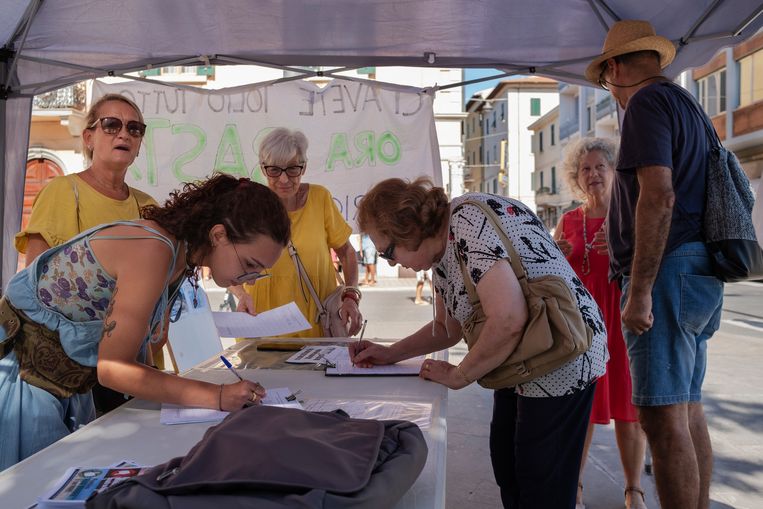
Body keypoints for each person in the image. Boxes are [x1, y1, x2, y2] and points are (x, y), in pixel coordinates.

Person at [0, 174, 291, 470]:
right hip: (24, 385)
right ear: (218, 235)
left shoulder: (178, 255)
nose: (251, 280)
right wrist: (216, 395)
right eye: (250, 265)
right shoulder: (153, 249)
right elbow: (114, 369)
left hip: (63, 388)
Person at [351, 177, 608, 508]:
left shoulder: (466, 222)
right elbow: (447, 330)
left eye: (387, 251)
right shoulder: (440, 252)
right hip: (523, 356)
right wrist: (388, 353)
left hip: (561, 355)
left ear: (408, 228)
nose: (389, 262)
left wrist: (460, 375)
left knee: (540, 483)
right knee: (508, 465)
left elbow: (508, 318)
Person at [586, 20, 724, 509]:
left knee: (663, 421)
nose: (612, 93)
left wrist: (639, 288)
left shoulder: (645, 103)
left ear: (617, 67)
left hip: (667, 273)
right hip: (698, 269)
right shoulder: (689, 105)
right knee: (686, 410)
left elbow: (660, 195)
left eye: (606, 81)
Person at [15, 93, 159, 414]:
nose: (124, 134)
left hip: (133, 365)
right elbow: (32, 288)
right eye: (111, 125)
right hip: (72, 373)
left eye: (135, 129)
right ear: (89, 137)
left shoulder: (148, 207)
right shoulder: (62, 191)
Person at [554, 138, 647, 509]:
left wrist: (628, 249)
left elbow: (650, 263)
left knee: (629, 408)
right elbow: (554, 275)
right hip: (583, 326)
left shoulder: (633, 215)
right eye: (586, 169)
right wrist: (558, 256)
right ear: (577, 178)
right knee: (582, 407)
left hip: (622, 319)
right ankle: (573, 486)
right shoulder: (568, 220)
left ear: (614, 172)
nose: (593, 174)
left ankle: (633, 489)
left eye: (600, 167)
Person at [229, 128, 363, 337]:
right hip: (261, 330)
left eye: (292, 169)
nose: (284, 179)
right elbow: (228, 261)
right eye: (274, 170)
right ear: (263, 170)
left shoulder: (320, 199)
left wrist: (351, 296)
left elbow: (346, 252)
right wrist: (240, 293)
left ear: (304, 167)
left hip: (317, 329)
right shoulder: (249, 206)